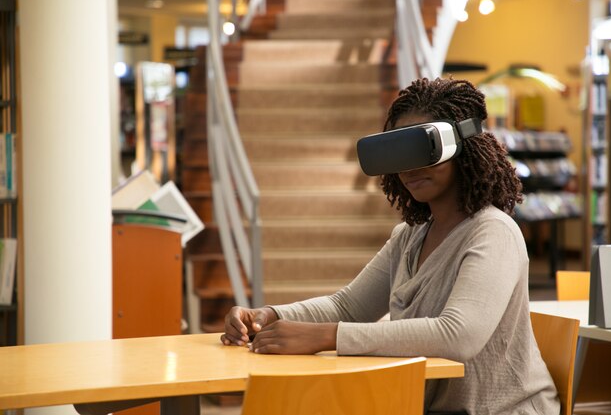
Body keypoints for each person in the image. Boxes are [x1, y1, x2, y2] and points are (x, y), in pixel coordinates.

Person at [221, 77, 560, 415]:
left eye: (424, 149)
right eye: (398, 153)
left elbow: (459, 336)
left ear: (464, 147)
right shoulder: (410, 236)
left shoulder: (493, 231)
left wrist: (327, 337)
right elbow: (348, 307)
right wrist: (270, 316)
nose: (408, 168)